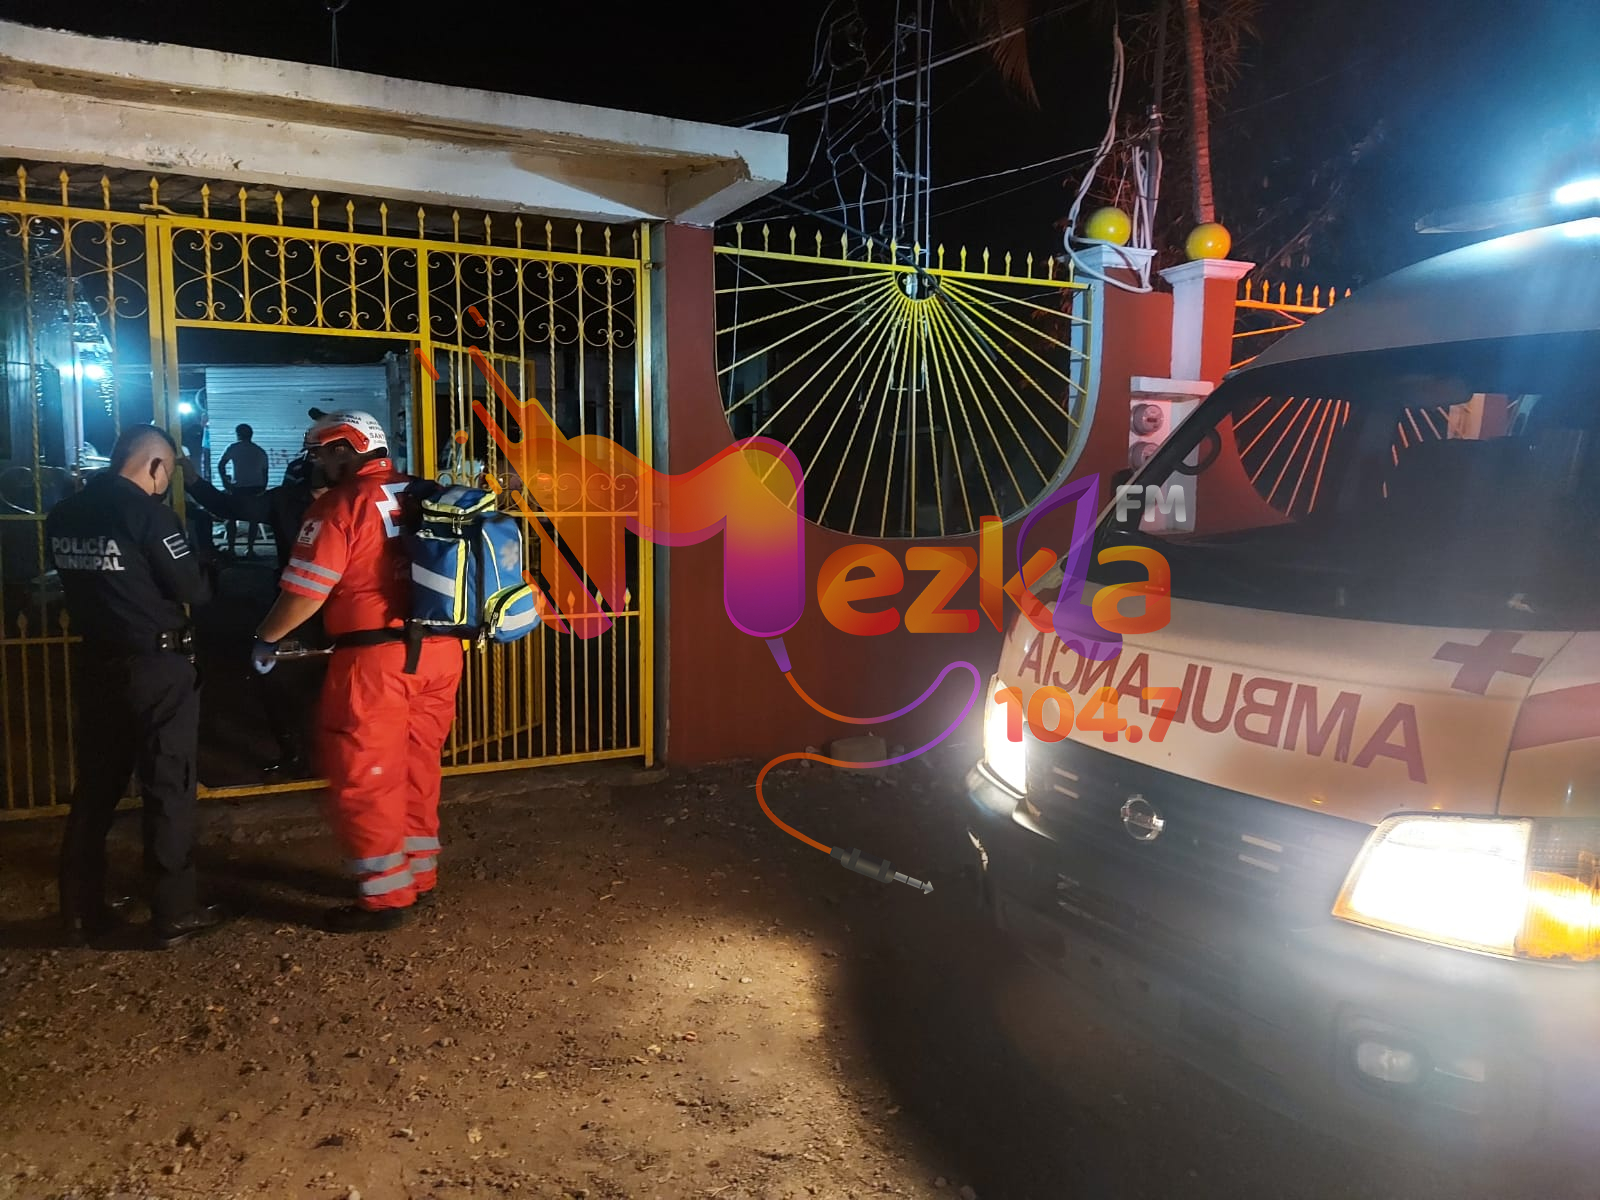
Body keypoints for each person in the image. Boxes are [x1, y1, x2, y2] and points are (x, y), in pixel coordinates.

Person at [252, 410, 465, 933]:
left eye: (323, 453)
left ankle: (386, 896)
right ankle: (419, 873)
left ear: (346, 449)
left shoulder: (339, 505)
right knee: (417, 766)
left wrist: (266, 638)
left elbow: (306, 592)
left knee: (365, 775)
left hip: (374, 661)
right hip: (440, 652)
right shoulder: (426, 491)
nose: (319, 464)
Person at [45, 424, 228, 949]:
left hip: (97, 664)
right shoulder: (148, 515)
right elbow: (193, 588)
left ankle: (80, 911)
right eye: (167, 474)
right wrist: (207, 564)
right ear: (155, 465)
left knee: (96, 788)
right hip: (156, 666)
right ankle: (174, 911)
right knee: (168, 784)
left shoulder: (64, 514)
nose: (164, 483)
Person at [178, 420, 331, 776]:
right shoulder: (287, 499)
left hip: (343, 605)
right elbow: (230, 507)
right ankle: (294, 750)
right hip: (295, 603)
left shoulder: (357, 499)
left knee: (337, 680)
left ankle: (327, 750)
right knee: (276, 676)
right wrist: (192, 479)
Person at [217, 423, 269, 556]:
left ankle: (231, 548)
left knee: (231, 517)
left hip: (238, 488)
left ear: (238, 434)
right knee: (253, 520)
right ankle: (250, 549)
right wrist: (263, 488)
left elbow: (221, 465)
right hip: (255, 488)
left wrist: (225, 481)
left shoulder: (234, 448)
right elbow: (265, 472)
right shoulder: (259, 450)